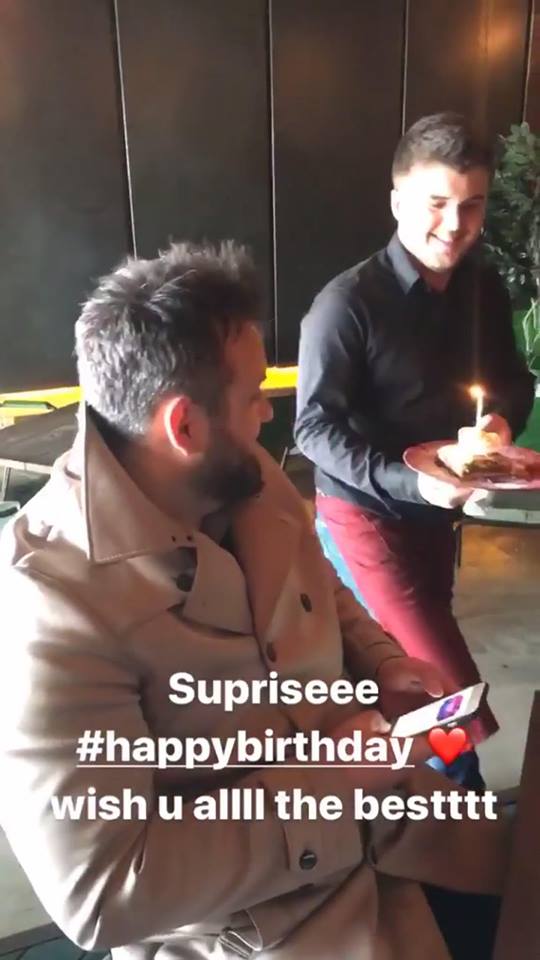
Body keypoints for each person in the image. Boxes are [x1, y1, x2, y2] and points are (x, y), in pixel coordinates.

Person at [0, 242, 509, 960]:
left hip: (397, 825)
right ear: (183, 426)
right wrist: (331, 781)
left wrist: (383, 662)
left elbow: (315, 579)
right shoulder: (49, 604)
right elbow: (101, 891)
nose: (269, 412)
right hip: (255, 927)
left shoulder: (243, 472)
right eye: (253, 397)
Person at [294, 113, 535, 785]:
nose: (455, 225)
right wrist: (412, 485)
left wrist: (501, 426)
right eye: (436, 203)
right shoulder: (345, 305)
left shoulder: (482, 287)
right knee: (446, 692)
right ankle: (464, 807)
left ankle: (398, 803)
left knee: (400, 682)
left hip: (437, 519)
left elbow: (513, 382)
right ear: (398, 201)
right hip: (364, 518)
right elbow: (311, 429)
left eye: (472, 204)